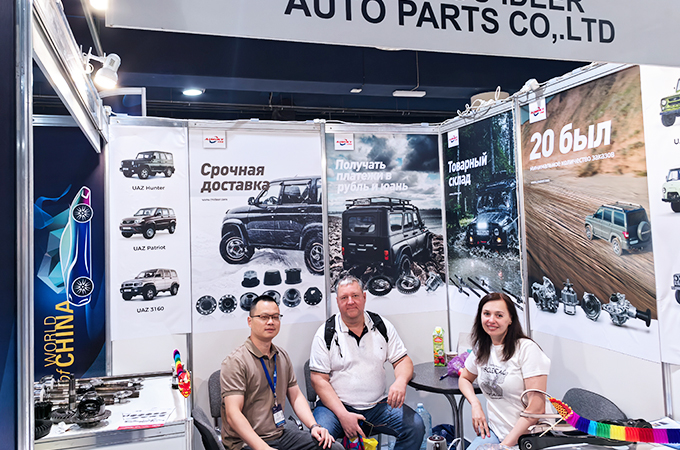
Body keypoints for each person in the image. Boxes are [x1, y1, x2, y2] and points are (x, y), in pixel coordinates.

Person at [309, 275, 424, 449]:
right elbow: (318, 380)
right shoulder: (325, 333)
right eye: (344, 297)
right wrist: (343, 415)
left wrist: (400, 381)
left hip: (377, 407)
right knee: (319, 439)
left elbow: (402, 360)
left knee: (415, 426)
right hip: (334, 409)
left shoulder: (381, 326)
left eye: (355, 296)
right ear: (337, 301)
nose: (350, 302)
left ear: (364, 297)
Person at [220, 295, 343, 450]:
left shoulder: (281, 356)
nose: (271, 322)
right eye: (264, 317)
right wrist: (263, 448)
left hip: (279, 435)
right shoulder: (236, 361)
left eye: (275, 317)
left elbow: (296, 396)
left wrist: (314, 426)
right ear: (250, 321)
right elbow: (233, 414)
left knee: (333, 447)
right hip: (245, 442)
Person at [458, 292, 551, 450]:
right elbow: (464, 378)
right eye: (486, 314)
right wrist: (475, 404)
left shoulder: (526, 349)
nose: (491, 320)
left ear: (510, 319)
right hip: (496, 433)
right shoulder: (482, 348)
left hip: (529, 438)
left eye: (499, 315)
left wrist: (503, 446)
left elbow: (536, 408)